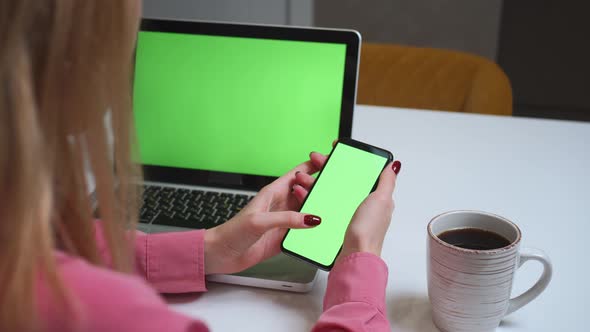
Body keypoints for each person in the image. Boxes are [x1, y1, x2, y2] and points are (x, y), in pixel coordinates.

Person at [0, 1, 402, 331]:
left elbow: (56, 242)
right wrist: (361, 260)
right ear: (72, 69)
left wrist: (211, 249)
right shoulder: (110, 314)